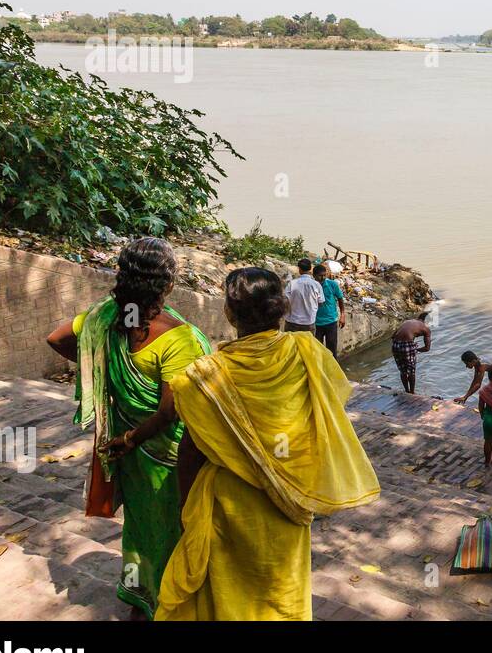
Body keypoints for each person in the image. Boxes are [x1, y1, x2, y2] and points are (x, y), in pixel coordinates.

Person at [155, 267, 380, 621]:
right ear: (281, 308)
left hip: (230, 502)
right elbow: (327, 407)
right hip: (290, 499)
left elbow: (191, 450)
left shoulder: (204, 376)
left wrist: (186, 509)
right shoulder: (308, 351)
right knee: (282, 591)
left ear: (229, 313)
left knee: (230, 594)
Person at [45, 236, 211, 621]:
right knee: (173, 526)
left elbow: (56, 338)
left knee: (140, 521)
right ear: (168, 283)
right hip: (165, 454)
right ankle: (169, 602)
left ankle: (140, 592)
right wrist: (134, 438)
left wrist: (100, 364)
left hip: (126, 447)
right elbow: (170, 412)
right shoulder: (178, 336)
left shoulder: (106, 318)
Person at [390, 312, 431, 395]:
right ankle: (412, 393)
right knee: (411, 371)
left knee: (403, 371)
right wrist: (416, 349)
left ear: (418, 318)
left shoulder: (407, 322)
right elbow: (427, 348)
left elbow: (393, 336)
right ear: (425, 321)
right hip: (407, 345)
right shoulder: (425, 328)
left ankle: (406, 390)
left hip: (395, 345)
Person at [312, 263, 345, 357]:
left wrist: (342, 315)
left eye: (324, 275)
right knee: (317, 350)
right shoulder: (311, 286)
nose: (323, 278)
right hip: (316, 323)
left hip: (331, 321)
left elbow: (340, 299)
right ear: (314, 276)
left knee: (332, 350)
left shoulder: (332, 284)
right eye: (320, 276)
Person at [283, 258, 322, 333]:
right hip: (309, 322)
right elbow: (321, 302)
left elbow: (285, 300)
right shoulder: (316, 285)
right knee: (307, 341)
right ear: (310, 269)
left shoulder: (292, 283)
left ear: (299, 269)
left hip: (292, 321)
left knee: (291, 341)